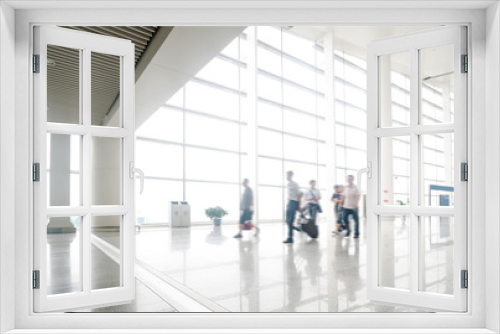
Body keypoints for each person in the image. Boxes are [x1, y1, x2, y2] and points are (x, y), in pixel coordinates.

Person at [283, 171, 302, 244]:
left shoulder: (295, 184)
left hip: (294, 202)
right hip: (290, 202)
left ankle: (290, 238)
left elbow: (299, 195)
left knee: (290, 221)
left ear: (291, 176)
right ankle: (296, 228)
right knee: (287, 221)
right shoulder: (288, 184)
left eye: (288, 175)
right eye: (286, 175)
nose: (287, 176)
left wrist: (299, 206)